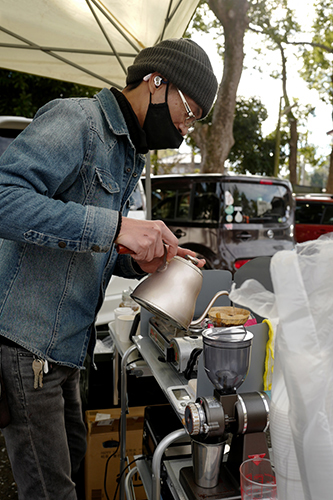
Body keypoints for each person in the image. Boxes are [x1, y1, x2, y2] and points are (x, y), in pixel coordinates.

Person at [0, 38, 217, 499]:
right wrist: (117, 227)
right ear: (158, 81)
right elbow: (5, 199)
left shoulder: (128, 154)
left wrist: (140, 256)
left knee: (74, 457)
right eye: (190, 110)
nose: (186, 125)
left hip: (64, 348)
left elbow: (84, 242)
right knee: (49, 488)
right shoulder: (77, 120)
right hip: (26, 344)